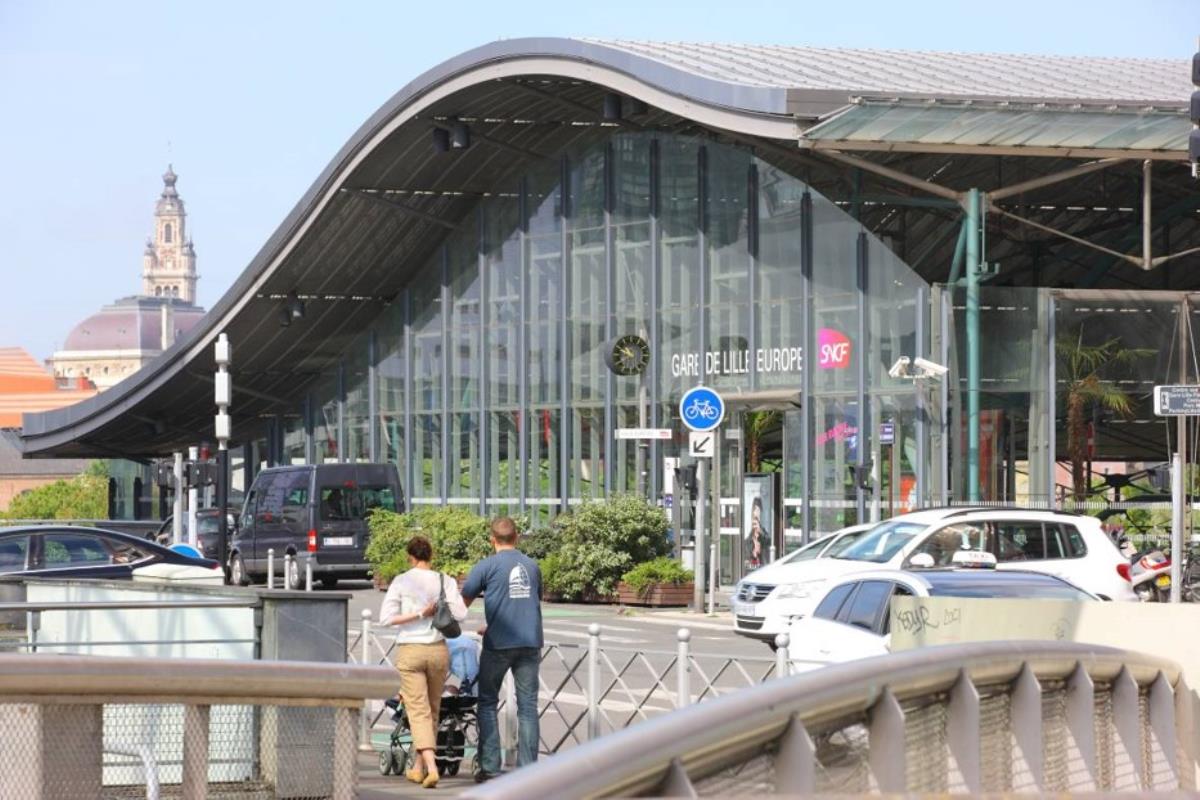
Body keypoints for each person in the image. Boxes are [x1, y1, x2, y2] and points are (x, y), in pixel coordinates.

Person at [379, 535, 468, 789]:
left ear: (411, 556)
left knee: (417, 710)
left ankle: (430, 767)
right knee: (432, 709)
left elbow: (386, 619)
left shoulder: (401, 581)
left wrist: (418, 613)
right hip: (438, 650)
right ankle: (418, 768)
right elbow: (461, 613)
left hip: (410, 650)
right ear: (431, 555)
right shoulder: (445, 580)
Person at [461, 517, 543, 783]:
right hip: (530, 642)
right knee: (528, 706)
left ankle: (490, 767)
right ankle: (529, 770)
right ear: (517, 537)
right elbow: (530, 600)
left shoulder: (485, 566)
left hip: (498, 644)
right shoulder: (531, 566)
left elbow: (463, 603)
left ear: (492, 539)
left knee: (487, 702)